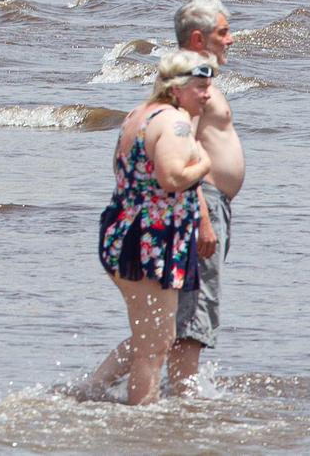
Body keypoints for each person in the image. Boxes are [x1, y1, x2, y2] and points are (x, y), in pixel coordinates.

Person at [78, 50, 213, 406]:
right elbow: (171, 178)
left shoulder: (137, 116)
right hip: (151, 240)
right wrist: (205, 163)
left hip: (123, 230)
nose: (207, 94)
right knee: (154, 345)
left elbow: (121, 172)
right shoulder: (175, 123)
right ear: (177, 88)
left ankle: (92, 390)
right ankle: (142, 419)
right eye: (200, 87)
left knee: (150, 336)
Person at [163, 0, 242, 393]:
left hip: (212, 203)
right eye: (223, 32)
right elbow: (184, 149)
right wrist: (204, 220)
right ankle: (183, 401)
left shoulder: (198, 77)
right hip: (203, 204)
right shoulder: (193, 81)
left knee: (188, 310)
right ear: (199, 38)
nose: (231, 39)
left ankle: (170, 391)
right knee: (194, 313)